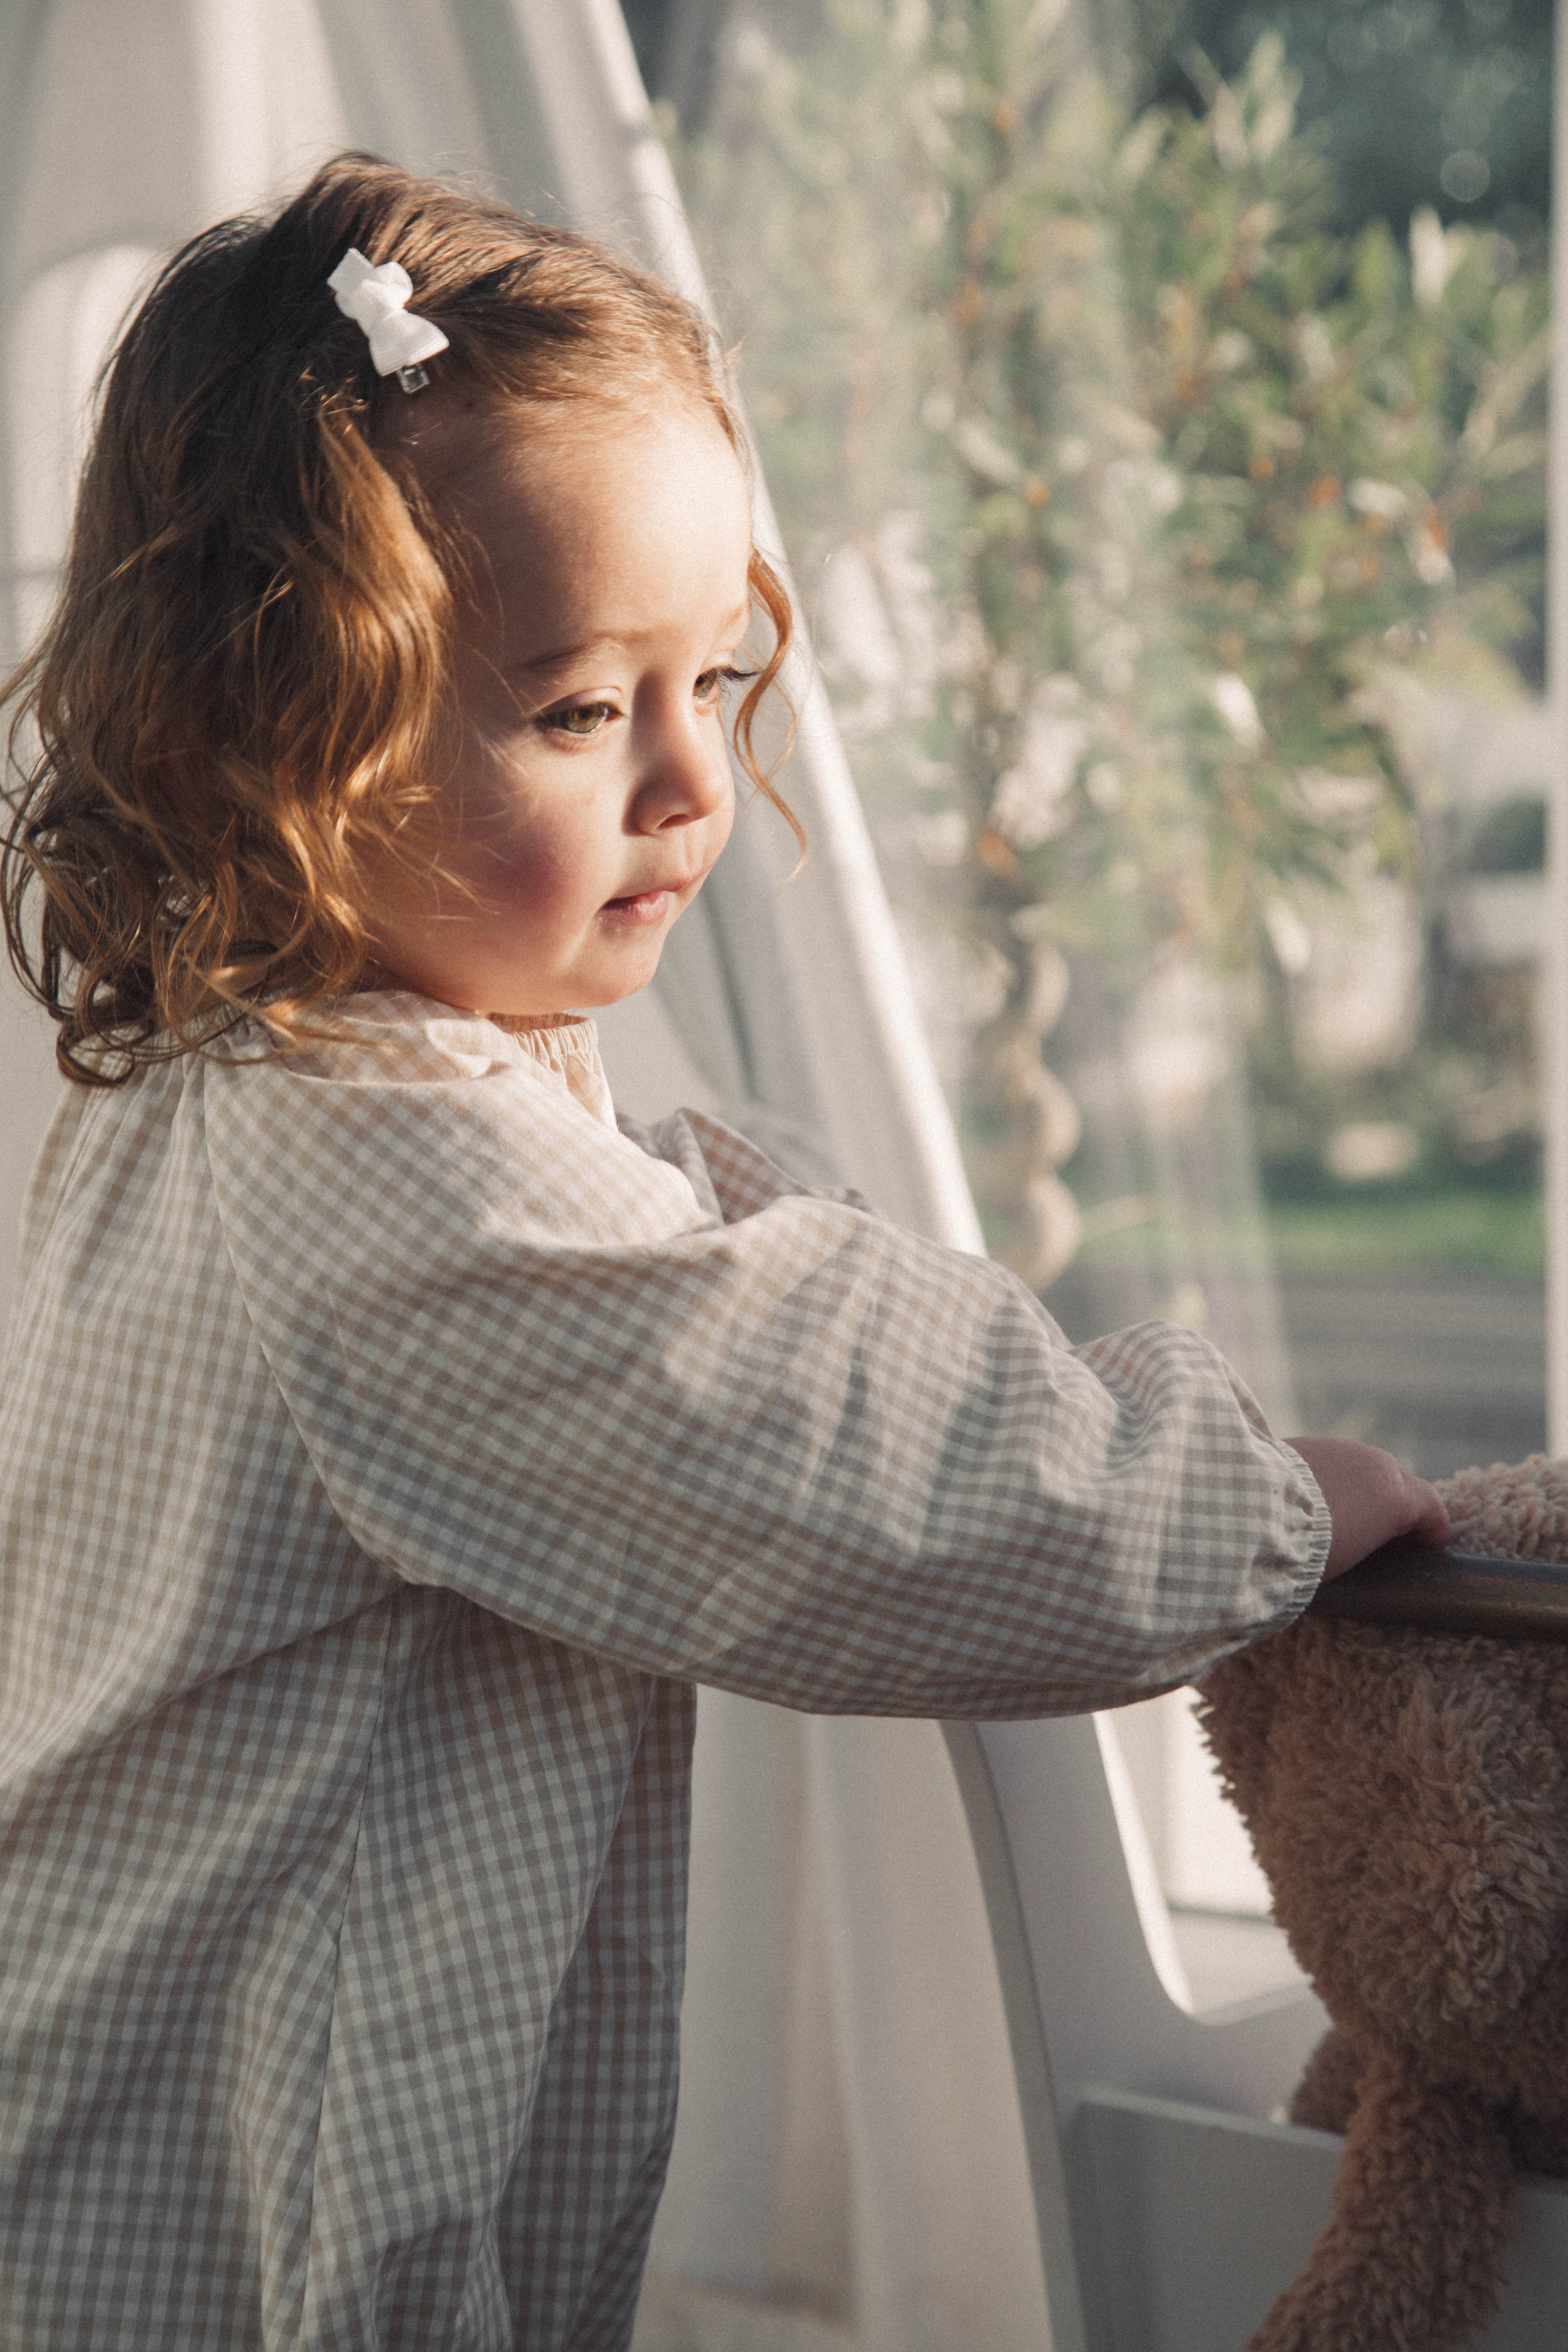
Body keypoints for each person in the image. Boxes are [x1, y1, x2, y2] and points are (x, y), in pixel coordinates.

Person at [0, 155, 1447, 2351]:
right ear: (265, 739)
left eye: (715, 674)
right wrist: (1250, 1502)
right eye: (582, 708)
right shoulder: (395, 1182)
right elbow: (867, 1470)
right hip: (213, 2254)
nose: (690, 778)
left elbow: (691, 1253)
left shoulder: (235, 1090)